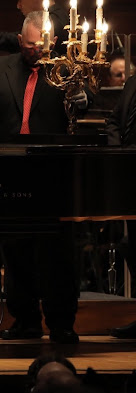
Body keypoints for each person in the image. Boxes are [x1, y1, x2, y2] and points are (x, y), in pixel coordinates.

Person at [0, 11, 86, 344]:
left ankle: (62, 324)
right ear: (20, 40)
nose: (37, 51)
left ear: (53, 41)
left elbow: (82, 105)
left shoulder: (65, 69)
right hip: (8, 170)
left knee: (58, 253)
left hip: (53, 173)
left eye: (42, 45)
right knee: (16, 252)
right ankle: (26, 321)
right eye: (31, 45)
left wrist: (84, 99)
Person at [105, 73, 136, 338]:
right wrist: (118, 155)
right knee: (133, 246)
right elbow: (114, 120)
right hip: (130, 173)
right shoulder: (133, 82)